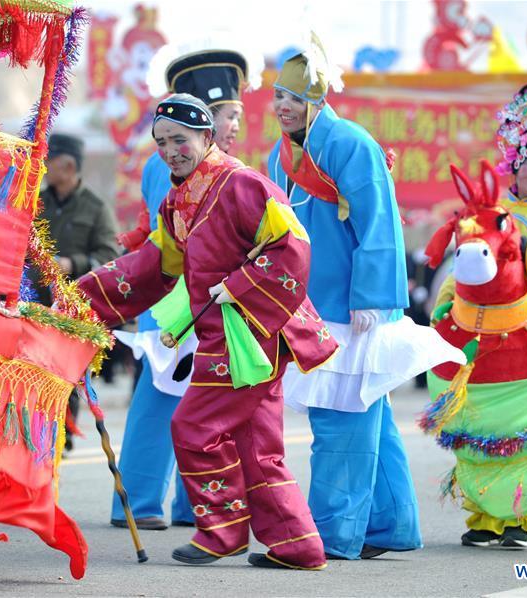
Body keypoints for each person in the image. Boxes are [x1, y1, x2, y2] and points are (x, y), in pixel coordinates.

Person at [77, 93, 337, 570]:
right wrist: (83, 298)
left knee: (193, 425)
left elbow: (293, 246)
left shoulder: (241, 184)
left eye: (180, 139)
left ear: (205, 135)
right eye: (161, 143)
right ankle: (297, 544)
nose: (171, 150)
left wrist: (238, 286)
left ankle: (222, 531)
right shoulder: (180, 200)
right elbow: (154, 266)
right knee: (257, 444)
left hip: (250, 333)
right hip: (236, 335)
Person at [266, 39, 463, 561]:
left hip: (353, 310)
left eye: (293, 96)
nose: (282, 105)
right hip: (308, 305)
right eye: (278, 95)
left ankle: (329, 535)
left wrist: (372, 296)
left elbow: (381, 224)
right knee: (367, 415)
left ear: (319, 98)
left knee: (339, 419)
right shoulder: (279, 152)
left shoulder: (351, 143)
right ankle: (388, 525)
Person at [432, 83, 527, 549]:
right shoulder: (492, 212)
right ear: (512, 168)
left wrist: (523, 249)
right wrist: (443, 306)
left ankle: (520, 517)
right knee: (480, 424)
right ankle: (482, 517)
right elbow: (465, 265)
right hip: (483, 331)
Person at [111, 49, 254, 531]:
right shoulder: (177, 161)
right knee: (161, 398)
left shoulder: (215, 162)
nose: (237, 125)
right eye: (229, 115)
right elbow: (175, 241)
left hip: (200, 299)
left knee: (192, 402)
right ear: (205, 118)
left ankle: (183, 504)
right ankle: (140, 502)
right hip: (177, 300)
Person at [33, 133, 120, 443]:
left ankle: (62, 435)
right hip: (35, 304)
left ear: (68, 166)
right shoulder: (36, 202)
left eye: (50, 160)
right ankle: (38, 431)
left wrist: (74, 263)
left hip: (73, 309)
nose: (44, 165)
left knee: (66, 375)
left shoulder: (96, 208)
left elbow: (110, 257)